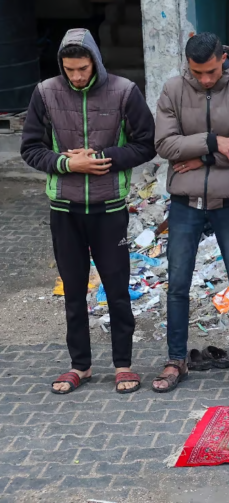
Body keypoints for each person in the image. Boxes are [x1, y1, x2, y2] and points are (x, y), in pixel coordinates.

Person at [20, 29, 155, 395]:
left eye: (82, 68)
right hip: (63, 210)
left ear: (95, 61)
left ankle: (123, 365)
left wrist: (104, 159)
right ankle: (80, 365)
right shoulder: (45, 92)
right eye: (69, 69)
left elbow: (147, 145)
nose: (76, 76)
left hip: (110, 209)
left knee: (117, 289)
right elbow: (30, 149)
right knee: (74, 290)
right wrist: (66, 164)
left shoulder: (125, 91)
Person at [152, 33, 229, 393]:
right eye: (197, 72)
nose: (205, 79)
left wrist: (199, 156)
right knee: (177, 284)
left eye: (212, 71)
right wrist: (215, 142)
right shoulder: (173, 89)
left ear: (224, 59)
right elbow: (164, 144)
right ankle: (176, 360)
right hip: (186, 203)